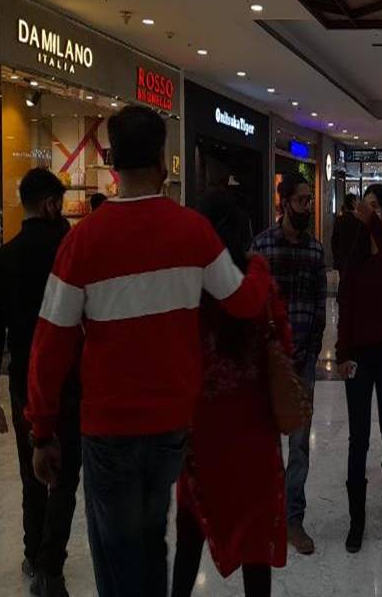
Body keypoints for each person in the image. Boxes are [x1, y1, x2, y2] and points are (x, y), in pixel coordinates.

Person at [25, 106, 272, 597]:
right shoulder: (193, 232)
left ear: (113, 162)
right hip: (170, 428)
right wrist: (260, 267)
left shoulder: (83, 242)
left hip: (108, 429)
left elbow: (49, 344)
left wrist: (43, 431)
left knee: (117, 554)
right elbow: (243, 302)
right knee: (151, 542)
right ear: (163, 161)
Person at [171, 192, 290, 597]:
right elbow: (284, 348)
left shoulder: (190, 289)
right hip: (254, 434)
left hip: (201, 433)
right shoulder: (261, 284)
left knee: (190, 534)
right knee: (256, 539)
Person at [0, 169, 76, 597]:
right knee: (63, 476)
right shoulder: (66, 249)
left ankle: (32, 552)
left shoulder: (4, 257)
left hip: (23, 381)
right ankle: (51, 563)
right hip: (67, 380)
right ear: (50, 204)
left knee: (32, 472)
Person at [252, 173, 327, 556]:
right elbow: (252, 304)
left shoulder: (315, 250)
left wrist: (311, 350)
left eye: (308, 200)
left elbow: (319, 305)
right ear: (283, 203)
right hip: (268, 362)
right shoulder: (262, 247)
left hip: (302, 363)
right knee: (266, 444)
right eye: (300, 201)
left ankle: (293, 518)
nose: (306, 207)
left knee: (299, 444)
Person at [336, 184, 382, 553]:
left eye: (377, 207)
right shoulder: (356, 254)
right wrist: (341, 352)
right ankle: (356, 519)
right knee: (358, 438)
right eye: (366, 208)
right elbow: (345, 305)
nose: (371, 213)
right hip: (360, 357)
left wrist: (375, 224)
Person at [331, 193, 360, 272]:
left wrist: (336, 256)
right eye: (357, 201)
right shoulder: (358, 221)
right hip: (355, 259)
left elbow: (334, 240)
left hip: (342, 258)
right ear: (353, 202)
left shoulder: (339, 220)